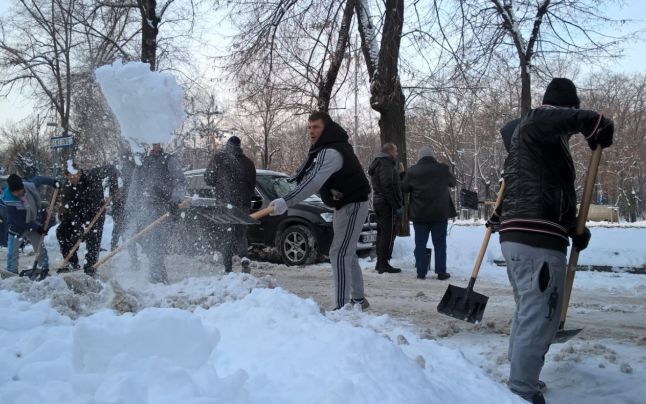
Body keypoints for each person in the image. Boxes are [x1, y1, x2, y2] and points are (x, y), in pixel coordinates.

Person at [493, 78, 614, 404]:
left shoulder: (543, 144)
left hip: (530, 235)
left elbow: (550, 190)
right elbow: (548, 117)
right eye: (571, 116)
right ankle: (521, 391)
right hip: (535, 238)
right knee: (540, 315)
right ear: (566, 108)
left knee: (529, 312)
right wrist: (592, 121)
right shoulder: (537, 122)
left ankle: (521, 380)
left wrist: (574, 227)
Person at [268, 111, 372, 310]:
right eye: (309, 127)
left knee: (339, 254)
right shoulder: (327, 148)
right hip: (347, 204)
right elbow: (308, 176)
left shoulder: (332, 151)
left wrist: (285, 202)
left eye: (316, 127)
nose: (311, 131)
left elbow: (312, 182)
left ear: (326, 128)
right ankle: (358, 300)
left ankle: (343, 308)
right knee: (346, 253)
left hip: (352, 205)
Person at [126, 143, 186, 283]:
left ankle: (157, 275)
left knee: (157, 240)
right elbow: (135, 186)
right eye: (151, 144)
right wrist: (130, 207)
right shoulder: (142, 163)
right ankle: (157, 271)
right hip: (144, 207)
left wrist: (175, 199)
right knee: (143, 240)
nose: (154, 146)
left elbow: (181, 181)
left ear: (160, 144)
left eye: (156, 143)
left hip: (163, 207)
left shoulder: (169, 160)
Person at [401, 145, 456, 280]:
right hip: (439, 213)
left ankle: (421, 272)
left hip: (419, 215)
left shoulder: (412, 171)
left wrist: (403, 175)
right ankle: (441, 272)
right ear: (433, 156)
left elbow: (404, 188)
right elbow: (452, 182)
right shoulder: (442, 169)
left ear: (420, 157)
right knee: (440, 243)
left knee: (420, 244)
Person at [204, 136, 256, 273]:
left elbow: (208, 179)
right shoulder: (249, 163)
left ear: (228, 145)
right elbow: (252, 186)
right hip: (243, 205)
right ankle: (244, 257)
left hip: (225, 204)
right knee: (240, 234)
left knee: (227, 235)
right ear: (240, 146)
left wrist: (214, 176)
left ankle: (228, 269)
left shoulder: (219, 159)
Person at [57, 162, 119, 275]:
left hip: (96, 212)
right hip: (79, 214)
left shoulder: (93, 174)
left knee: (93, 238)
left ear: (80, 172)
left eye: (75, 176)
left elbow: (112, 168)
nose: (73, 179)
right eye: (70, 177)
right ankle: (72, 262)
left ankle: (90, 270)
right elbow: (69, 210)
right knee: (62, 231)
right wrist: (79, 227)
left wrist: (113, 188)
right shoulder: (67, 188)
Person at [2, 174, 59, 274]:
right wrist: (37, 228)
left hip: (32, 222)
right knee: (13, 252)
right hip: (16, 228)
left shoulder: (29, 186)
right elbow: (19, 221)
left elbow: (39, 179)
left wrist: (54, 182)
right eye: (14, 192)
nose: (17, 193)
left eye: (18, 190)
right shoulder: (9, 200)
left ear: (22, 187)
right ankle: (11, 272)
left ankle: (43, 269)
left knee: (39, 247)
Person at [368, 142, 403, 274]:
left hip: (379, 202)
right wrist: (396, 205)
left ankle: (380, 263)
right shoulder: (386, 164)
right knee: (388, 234)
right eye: (396, 151)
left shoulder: (379, 163)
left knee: (382, 233)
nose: (397, 153)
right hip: (386, 204)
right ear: (389, 152)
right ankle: (383, 263)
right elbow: (388, 186)